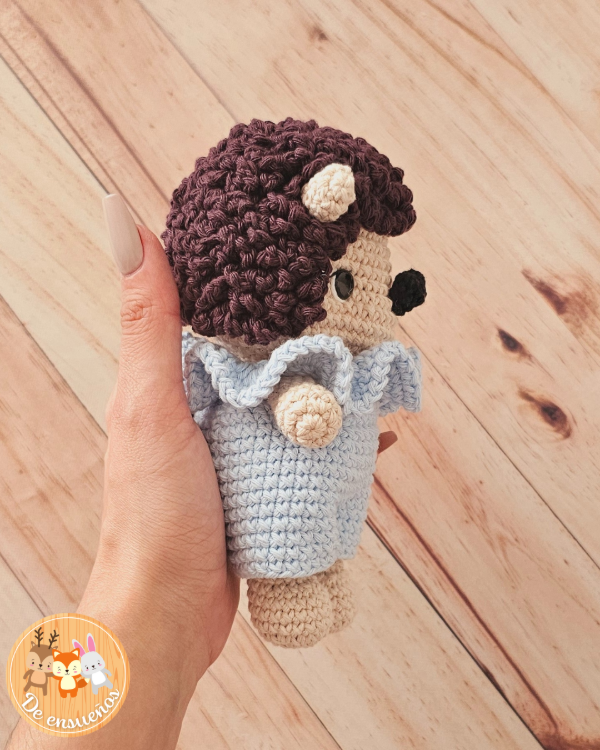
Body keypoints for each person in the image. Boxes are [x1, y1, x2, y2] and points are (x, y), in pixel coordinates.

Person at [7, 194, 396, 749]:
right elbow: (281, 393)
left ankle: (320, 573)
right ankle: (283, 587)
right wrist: (161, 592)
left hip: (313, 508)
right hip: (269, 514)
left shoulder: (349, 367)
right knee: (289, 539)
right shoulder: (262, 371)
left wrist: (159, 598)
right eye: (349, 284)